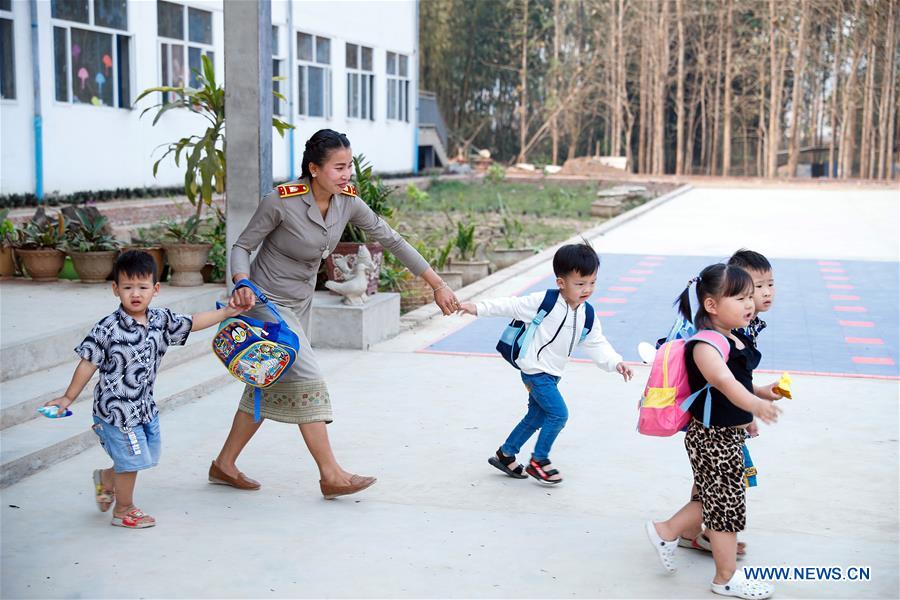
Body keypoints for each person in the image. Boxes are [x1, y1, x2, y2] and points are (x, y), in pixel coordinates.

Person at [212, 128, 459, 499]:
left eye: (349, 167)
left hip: (300, 303)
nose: (346, 175)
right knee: (307, 373)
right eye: (338, 167)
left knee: (269, 377)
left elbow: (392, 240)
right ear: (314, 168)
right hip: (263, 300)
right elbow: (242, 246)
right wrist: (242, 282)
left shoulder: (347, 202)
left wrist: (437, 284)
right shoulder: (281, 201)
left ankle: (224, 464)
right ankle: (331, 474)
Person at [44, 251, 249, 528]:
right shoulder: (107, 328)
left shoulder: (160, 321)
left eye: (142, 287)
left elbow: (192, 322)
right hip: (116, 412)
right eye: (127, 287)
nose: (135, 294)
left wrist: (226, 312)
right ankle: (124, 510)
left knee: (146, 456)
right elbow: (87, 362)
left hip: (144, 407)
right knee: (132, 460)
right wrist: (68, 397)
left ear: (155, 289)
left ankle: (106, 478)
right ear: (115, 289)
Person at [645, 264, 782, 599]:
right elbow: (722, 381)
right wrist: (754, 405)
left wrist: (763, 392)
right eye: (740, 297)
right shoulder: (705, 345)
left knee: (716, 500)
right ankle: (725, 578)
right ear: (712, 305)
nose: (750, 304)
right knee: (725, 508)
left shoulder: (732, 337)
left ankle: (666, 531)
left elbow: (737, 382)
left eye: (751, 296)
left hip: (726, 437)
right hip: (713, 438)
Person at [457, 243, 633, 484]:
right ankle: (539, 460)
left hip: (552, 373)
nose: (587, 290)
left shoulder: (586, 314)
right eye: (580, 284)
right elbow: (510, 305)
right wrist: (476, 308)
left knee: (537, 416)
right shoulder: (544, 302)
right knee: (559, 414)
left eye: (592, 283)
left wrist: (616, 363)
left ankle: (506, 454)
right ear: (561, 283)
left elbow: (596, 342)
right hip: (534, 370)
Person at [678, 249, 778, 555]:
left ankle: (695, 532)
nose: (762, 294)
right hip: (714, 419)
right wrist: (750, 407)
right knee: (716, 481)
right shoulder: (725, 329)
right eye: (752, 288)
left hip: (726, 415)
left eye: (768, 285)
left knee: (711, 478)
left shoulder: (745, 323)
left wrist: (756, 394)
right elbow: (724, 380)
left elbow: (740, 376)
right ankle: (681, 530)